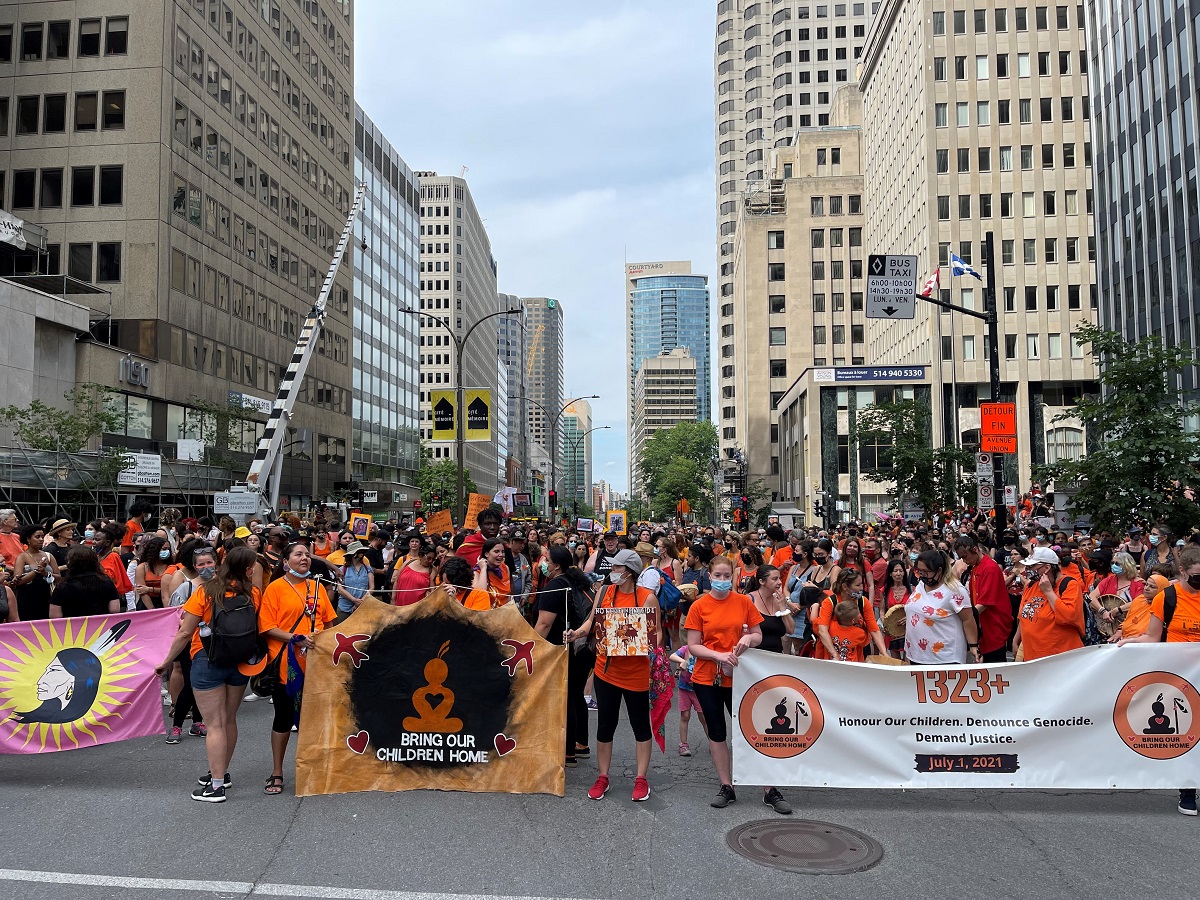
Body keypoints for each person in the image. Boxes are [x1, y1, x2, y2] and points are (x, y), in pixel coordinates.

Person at [155, 547, 263, 802]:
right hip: (240, 662)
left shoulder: (206, 591)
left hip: (207, 659)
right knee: (229, 720)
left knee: (214, 724)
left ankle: (215, 786)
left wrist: (166, 662)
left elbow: (185, 633)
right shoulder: (254, 593)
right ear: (247, 570)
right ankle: (222, 772)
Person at [684, 556, 790, 813]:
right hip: (707, 677)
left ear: (733, 576)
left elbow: (758, 634)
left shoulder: (743, 602)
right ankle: (726, 785)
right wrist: (717, 655)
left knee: (753, 729)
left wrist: (748, 640)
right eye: (717, 576)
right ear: (709, 576)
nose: (722, 580)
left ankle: (769, 788)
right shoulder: (699, 606)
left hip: (741, 676)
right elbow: (693, 645)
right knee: (717, 731)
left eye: (726, 576)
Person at [566, 548, 659, 802]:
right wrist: (577, 633)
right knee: (606, 725)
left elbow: (657, 633)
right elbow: (592, 621)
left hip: (636, 672)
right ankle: (603, 776)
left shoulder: (647, 598)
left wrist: (644, 643)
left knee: (640, 726)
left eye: (617, 567)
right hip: (606, 671)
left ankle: (641, 778)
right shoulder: (605, 592)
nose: (612, 571)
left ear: (629, 572)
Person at [1119, 547, 1200, 814]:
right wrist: (1131, 642)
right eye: (1197, 576)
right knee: (1187, 733)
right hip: (1181, 678)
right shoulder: (1168, 597)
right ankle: (1187, 790)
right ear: (1183, 572)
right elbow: (1152, 636)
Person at [258, 542, 337, 795]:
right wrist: (295, 638)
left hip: (317, 665)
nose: (304, 558)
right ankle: (277, 772)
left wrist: (324, 641)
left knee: (314, 719)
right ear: (285, 562)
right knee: (283, 718)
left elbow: (329, 622)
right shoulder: (275, 588)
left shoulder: (317, 587)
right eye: (298, 554)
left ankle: (314, 770)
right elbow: (267, 627)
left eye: (307, 555)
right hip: (285, 666)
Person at [534, 545, 595, 767]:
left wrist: (533, 648)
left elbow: (544, 623)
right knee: (576, 694)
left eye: (547, 560)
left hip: (565, 647)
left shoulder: (554, 587)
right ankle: (581, 743)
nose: (544, 564)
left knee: (565, 696)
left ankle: (568, 751)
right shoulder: (578, 581)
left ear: (556, 565)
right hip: (585, 648)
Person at [163, 541, 215, 742]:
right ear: (194, 566)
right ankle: (176, 726)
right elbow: (175, 616)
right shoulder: (187, 587)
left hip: (213, 644)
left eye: (209, 562)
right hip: (189, 643)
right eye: (201, 564)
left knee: (202, 683)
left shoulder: (221, 586)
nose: (205, 567)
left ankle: (198, 722)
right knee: (192, 682)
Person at [905, 550, 979, 665]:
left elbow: (968, 619)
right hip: (917, 654)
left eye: (926, 572)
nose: (922, 575)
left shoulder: (955, 590)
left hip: (944, 657)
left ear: (939, 570)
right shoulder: (921, 584)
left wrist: (973, 646)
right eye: (919, 571)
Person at [1013, 546, 1084, 661]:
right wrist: (1016, 640)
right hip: (1032, 656)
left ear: (1047, 568)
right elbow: (1023, 616)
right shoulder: (1031, 585)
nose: (1028, 570)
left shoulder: (1069, 585)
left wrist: (1048, 591)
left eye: (1032, 566)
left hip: (1060, 658)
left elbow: (1069, 617)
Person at [955, 535, 1011, 663]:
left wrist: (965, 618)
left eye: (965, 556)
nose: (964, 561)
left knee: (994, 665)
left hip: (993, 625)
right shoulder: (976, 567)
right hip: (983, 625)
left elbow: (985, 603)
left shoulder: (989, 568)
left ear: (975, 550)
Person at [814, 569, 890, 661]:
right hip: (829, 654)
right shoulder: (830, 602)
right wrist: (834, 655)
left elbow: (874, 630)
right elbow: (822, 631)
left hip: (855, 655)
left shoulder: (863, 602)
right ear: (845, 587)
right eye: (858, 585)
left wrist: (884, 653)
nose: (861, 588)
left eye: (862, 584)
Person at [49, 546, 120, 618]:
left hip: (73, 625)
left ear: (70, 563)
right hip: (102, 624)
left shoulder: (62, 587)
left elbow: (54, 616)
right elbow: (114, 610)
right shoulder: (107, 583)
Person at [1087, 550, 1143, 635]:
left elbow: (1140, 602)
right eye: (1112, 563)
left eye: (1117, 563)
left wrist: (1118, 610)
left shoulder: (1139, 583)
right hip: (1108, 628)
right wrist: (1103, 611)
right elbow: (1091, 597)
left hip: (1131, 626)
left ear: (1127, 565)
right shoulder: (1108, 580)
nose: (1113, 565)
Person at [12, 524, 60, 621]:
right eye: (37, 537)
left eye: (42, 537)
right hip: (27, 598)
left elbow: (58, 577)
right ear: (28, 539)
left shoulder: (48, 556)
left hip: (46, 597)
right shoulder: (22, 557)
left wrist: (45, 573)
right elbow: (18, 581)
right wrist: (37, 571)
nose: (41, 539)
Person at [134, 537, 177, 611]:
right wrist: (152, 610)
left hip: (166, 602)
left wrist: (150, 589)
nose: (167, 551)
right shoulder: (142, 568)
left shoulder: (171, 567)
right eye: (164, 549)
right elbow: (141, 591)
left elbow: (171, 591)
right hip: (146, 605)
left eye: (168, 549)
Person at [335, 541, 373, 620]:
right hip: (344, 607)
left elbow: (372, 587)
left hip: (363, 607)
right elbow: (340, 589)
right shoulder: (342, 570)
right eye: (359, 552)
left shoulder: (368, 569)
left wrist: (360, 602)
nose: (361, 554)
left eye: (362, 552)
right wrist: (354, 600)